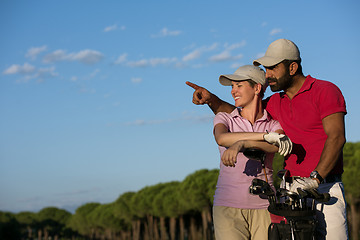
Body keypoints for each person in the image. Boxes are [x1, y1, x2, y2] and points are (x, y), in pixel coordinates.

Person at [186, 39, 348, 240]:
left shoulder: (324, 90)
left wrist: (315, 179)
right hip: (289, 192)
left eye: (272, 68)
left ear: (292, 67)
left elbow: (337, 137)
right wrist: (211, 100)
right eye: (265, 68)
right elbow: (240, 111)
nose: (267, 74)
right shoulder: (274, 102)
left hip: (324, 188)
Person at [211, 65, 292, 240]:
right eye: (232, 86)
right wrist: (264, 136)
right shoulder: (224, 118)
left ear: (256, 88)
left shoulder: (273, 123)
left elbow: (277, 146)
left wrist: (243, 143)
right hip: (227, 207)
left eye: (239, 86)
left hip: (265, 207)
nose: (233, 91)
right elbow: (222, 138)